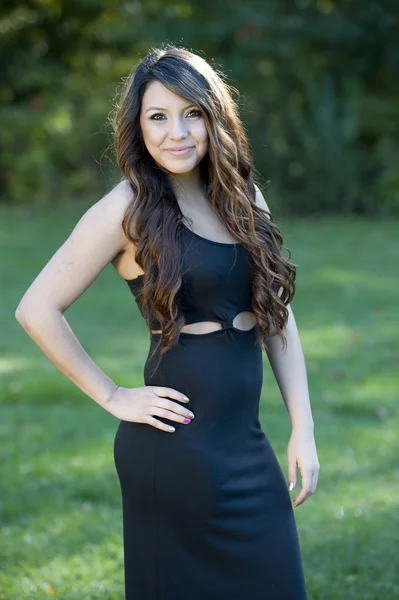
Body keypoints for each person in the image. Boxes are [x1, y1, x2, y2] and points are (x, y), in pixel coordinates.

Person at [15, 45, 320, 599]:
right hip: (174, 451)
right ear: (138, 125)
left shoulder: (242, 198)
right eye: (158, 116)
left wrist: (303, 427)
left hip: (247, 446)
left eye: (192, 113)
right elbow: (36, 309)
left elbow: (276, 314)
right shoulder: (126, 208)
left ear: (214, 118)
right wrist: (112, 395)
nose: (176, 132)